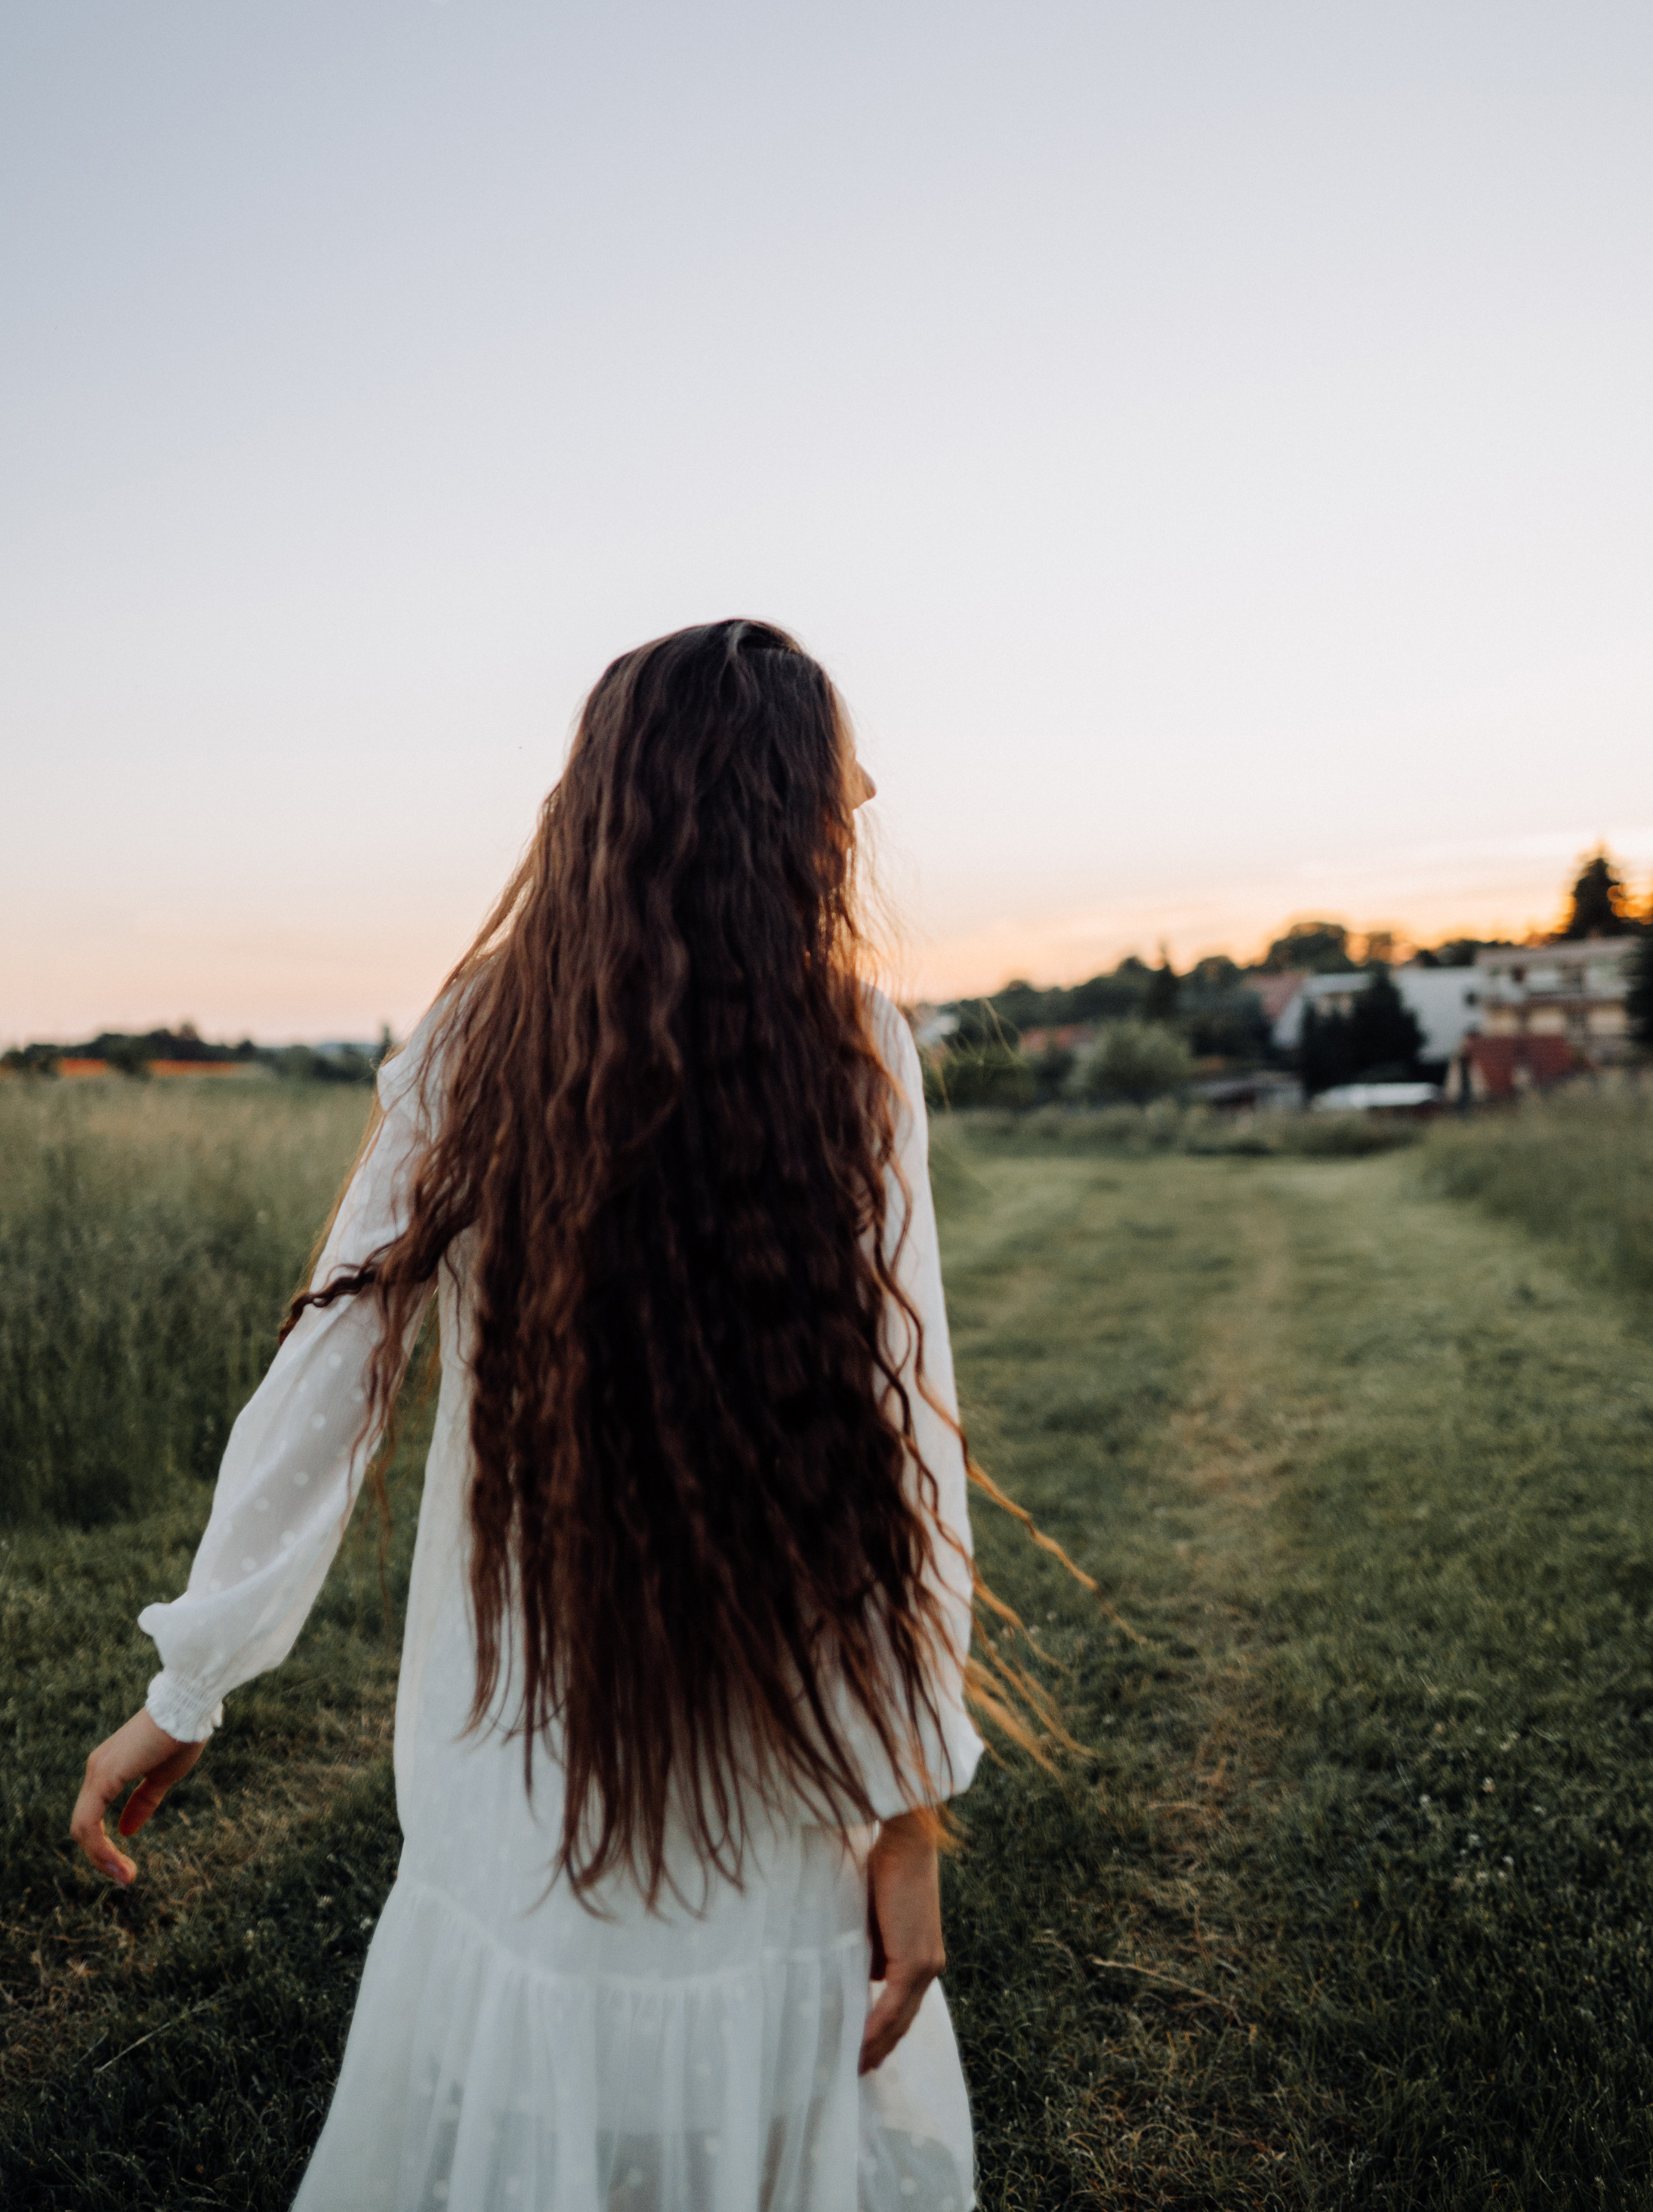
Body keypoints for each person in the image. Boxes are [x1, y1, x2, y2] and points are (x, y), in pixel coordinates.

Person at [71, 621, 985, 2212]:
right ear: (775, 806)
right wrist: (900, 1802)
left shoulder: (479, 1028)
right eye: (842, 777)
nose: (867, 800)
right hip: (764, 1768)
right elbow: (898, 1446)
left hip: (521, 1751)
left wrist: (192, 1682)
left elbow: (331, 1370)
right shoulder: (852, 1046)